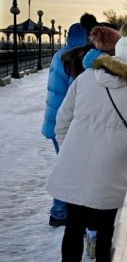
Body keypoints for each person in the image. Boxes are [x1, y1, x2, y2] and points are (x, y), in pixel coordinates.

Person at [47, 21, 127, 261]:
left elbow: (61, 122)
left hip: (74, 166)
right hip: (112, 170)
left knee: (73, 227)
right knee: (106, 231)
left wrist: (71, 151)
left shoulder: (86, 78)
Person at [41, 14, 93, 227]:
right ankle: (61, 212)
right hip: (67, 122)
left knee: (65, 166)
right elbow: (76, 93)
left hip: (53, 121)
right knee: (71, 168)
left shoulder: (59, 55)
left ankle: (60, 212)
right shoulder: (75, 59)